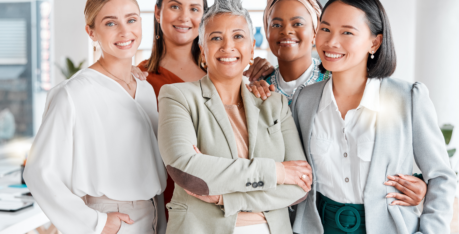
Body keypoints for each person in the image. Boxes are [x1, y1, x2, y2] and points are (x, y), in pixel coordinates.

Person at [291, 0, 456, 233]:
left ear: (374, 42)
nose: (331, 42)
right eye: (325, 29)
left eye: (347, 32)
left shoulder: (408, 98)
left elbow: (441, 177)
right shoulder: (304, 100)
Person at [248, 0, 428, 208]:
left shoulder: (344, 80)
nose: (287, 31)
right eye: (276, 24)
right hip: (293, 215)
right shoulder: (267, 91)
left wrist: (421, 183)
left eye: (298, 23)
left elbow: (402, 159)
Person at [156, 0, 313, 233]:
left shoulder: (274, 102)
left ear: (251, 48)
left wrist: (226, 198)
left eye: (238, 36)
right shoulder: (178, 96)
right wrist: (277, 172)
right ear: (202, 49)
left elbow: (300, 184)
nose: (227, 46)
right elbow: (186, 169)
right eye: (216, 37)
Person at [23, 0, 168, 233]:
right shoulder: (73, 93)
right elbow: (39, 172)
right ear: (91, 31)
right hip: (112, 220)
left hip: (153, 216)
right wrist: (97, 223)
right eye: (110, 23)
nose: (124, 31)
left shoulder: (145, 89)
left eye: (131, 20)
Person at [129, 0, 276, 216]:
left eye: (195, 9)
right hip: (168, 201)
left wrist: (267, 80)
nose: (184, 17)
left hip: (231, 201)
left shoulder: (231, 74)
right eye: (175, 6)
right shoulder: (139, 80)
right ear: (158, 12)